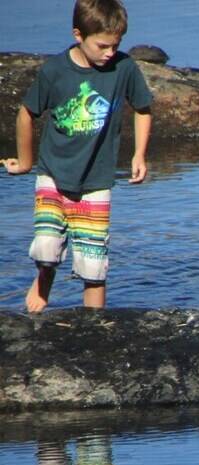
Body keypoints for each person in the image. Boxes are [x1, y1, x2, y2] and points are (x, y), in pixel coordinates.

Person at [1, 0, 152, 313]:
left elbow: (142, 108)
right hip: (53, 174)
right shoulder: (55, 70)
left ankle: (94, 325)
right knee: (46, 247)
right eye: (102, 46)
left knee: (93, 267)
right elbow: (26, 113)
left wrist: (139, 155)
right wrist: (25, 162)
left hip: (96, 181)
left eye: (116, 45)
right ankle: (45, 277)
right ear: (78, 35)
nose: (110, 53)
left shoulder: (124, 68)